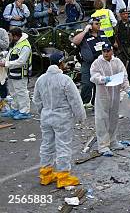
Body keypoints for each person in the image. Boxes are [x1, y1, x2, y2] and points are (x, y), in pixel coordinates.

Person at [33, 52, 85, 188]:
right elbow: (75, 101)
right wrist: (80, 117)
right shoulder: (65, 80)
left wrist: (43, 112)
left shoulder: (41, 79)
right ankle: (63, 176)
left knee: (47, 145)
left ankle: (46, 174)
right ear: (61, 63)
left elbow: (36, 100)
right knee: (63, 145)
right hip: (62, 119)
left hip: (46, 117)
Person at [89, 43, 130, 156]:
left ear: (112, 51)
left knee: (113, 119)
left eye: (108, 51)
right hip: (102, 96)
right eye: (104, 51)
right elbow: (93, 77)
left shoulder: (117, 62)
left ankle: (112, 141)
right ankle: (103, 146)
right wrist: (104, 79)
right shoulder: (97, 63)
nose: (106, 53)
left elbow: (123, 77)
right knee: (102, 120)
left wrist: (128, 89)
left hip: (115, 95)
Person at [71, 18, 111, 108]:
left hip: (101, 63)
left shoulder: (102, 33)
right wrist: (85, 31)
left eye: (99, 23)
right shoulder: (85, 35)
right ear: (90, 25)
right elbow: (75, 41)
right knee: (87, 83)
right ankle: (83, 102)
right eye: (96, 23)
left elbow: (108, 45)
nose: (99, 25)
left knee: (99, 83)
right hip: (88, 63)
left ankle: (95, 103)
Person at [0, 28, 32, 119]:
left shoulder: (25, 46)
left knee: (21, 93)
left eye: (10, 35)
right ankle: (15, 109)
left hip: (21, 73)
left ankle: (24, 112)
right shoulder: (16, 43)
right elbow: (11, 54)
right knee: (13, 93)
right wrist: (3, 56)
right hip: (12, 73)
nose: (8, 37)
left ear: (16, 36)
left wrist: (5, 64)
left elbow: (21, 62)